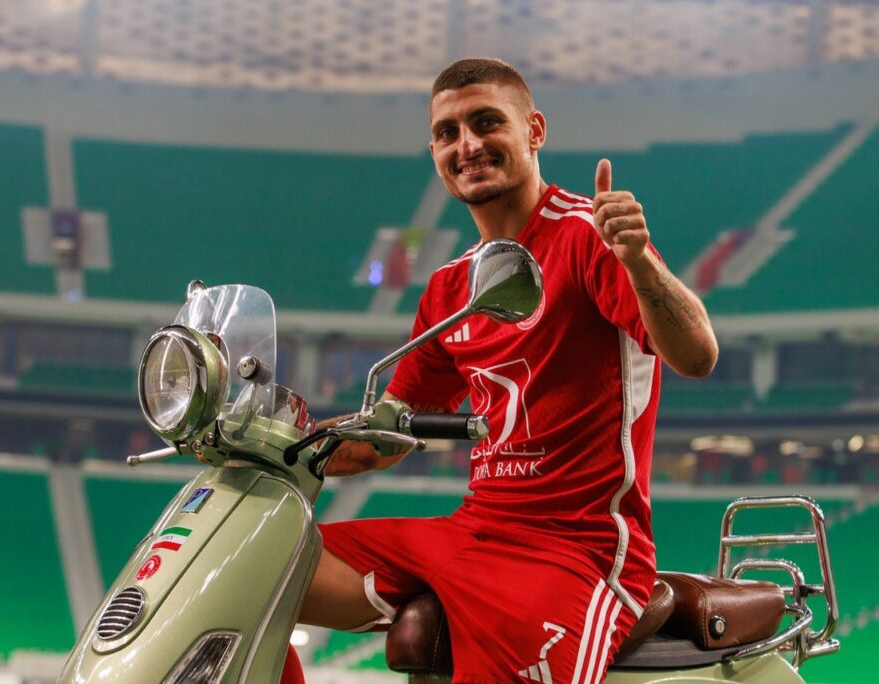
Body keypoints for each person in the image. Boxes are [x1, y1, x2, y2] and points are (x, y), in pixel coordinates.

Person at [296, 58, 719, 683]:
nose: (467, 145)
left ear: (534, 131)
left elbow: (697, 355)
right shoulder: (449, 287)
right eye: (448, 133)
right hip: (474, 531)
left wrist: (640, 263)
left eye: (487, 122)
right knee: (259, 571)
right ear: (436, 153)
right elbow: (385, 436)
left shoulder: (588, 236)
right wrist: (277, 446)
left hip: (577, 551)